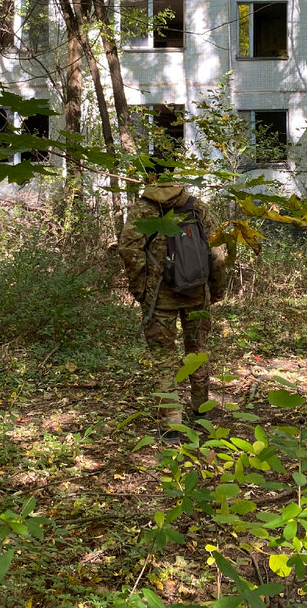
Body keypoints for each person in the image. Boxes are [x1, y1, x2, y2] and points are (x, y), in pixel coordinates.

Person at [118, 181, 228, 443]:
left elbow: (129, 250)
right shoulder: (196, 206)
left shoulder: (143, 209)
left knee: (163, 360)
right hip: (196, 295)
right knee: (197, 351)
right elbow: (217, 253)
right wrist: (217, 288)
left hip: (158, 298)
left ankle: (171, 426)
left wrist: (140, 291)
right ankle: (201, 412)